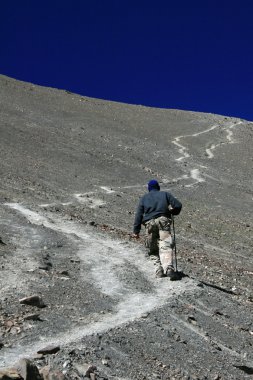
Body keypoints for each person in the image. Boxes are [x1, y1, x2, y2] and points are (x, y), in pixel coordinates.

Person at [133, 179, 182, 279]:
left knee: (152, 249)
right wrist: (173, 211)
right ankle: (168, 268)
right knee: (166, 245)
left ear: (149, 189)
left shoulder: (144, 198)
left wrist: (136, 231)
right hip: (163, 222)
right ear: (158, 187)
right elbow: (178, 205)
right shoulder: (165, 194)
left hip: (150, 224)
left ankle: (158, 269)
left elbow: (139, 215)